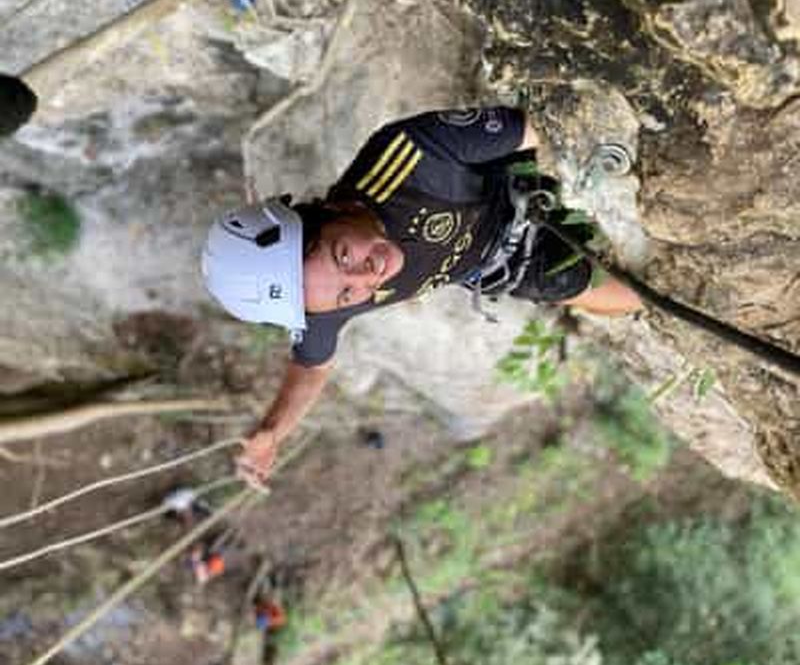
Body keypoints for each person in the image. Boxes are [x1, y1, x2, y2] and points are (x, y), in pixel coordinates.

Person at [202, 106, 642, 486]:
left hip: (524, 186)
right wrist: (273, 432)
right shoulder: (319, 299)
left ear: (327, 210)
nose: (364, 279)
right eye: (346, 295)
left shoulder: (415, 155)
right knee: (632, 295)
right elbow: (311, 365)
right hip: (502, 264)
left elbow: (556, 123)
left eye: (342, 255)